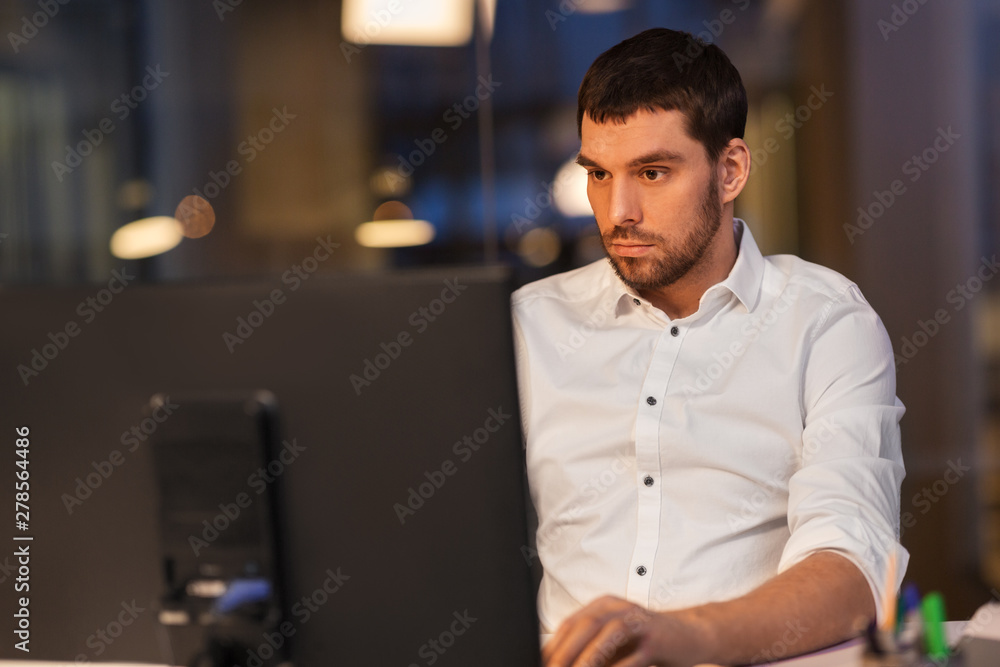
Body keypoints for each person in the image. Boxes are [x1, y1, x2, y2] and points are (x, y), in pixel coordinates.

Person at [511, 28, 907, 667]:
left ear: (730, 171)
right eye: (598, 175)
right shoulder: (528, 325)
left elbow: (854, 567)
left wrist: (681, 637)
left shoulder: (826, 322)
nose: (619, 212)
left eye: (652, 172)